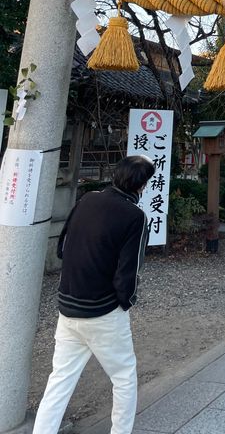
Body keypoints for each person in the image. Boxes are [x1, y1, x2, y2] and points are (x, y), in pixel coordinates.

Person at [32, 154, 155, 434]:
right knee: (123, 378)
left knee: (60, 379)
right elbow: (129, 271)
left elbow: (62, 247)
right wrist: (127, 302)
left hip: (67, 306)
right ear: (141, 185)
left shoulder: (87, 199)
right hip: (103, 311)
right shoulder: (134, 216)